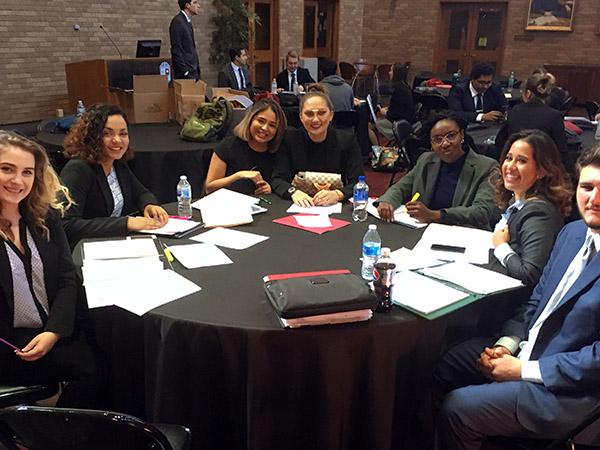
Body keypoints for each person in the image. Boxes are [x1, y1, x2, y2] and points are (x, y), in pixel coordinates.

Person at [433, 144, 600, 449]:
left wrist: (524, 369)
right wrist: (505, 345)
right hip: (527, 352)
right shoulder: (573, 233)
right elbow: (537, 301)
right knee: (445, 363)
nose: (594, 199)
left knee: (458, 409)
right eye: (588, 187)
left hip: (574, 393)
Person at [0, 131, 104, 408]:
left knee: (116, 343)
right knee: (92, 368)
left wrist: (54, 331)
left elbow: (68, 277)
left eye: (27, 172)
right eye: (6, 169)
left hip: (52, 327)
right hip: (8, 342)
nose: (17, 181)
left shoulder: (44, 215)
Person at [60, 104, 168, 248]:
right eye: (107, 134)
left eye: (123, 134)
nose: (117, 140)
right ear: (92, 137)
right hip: (84, 250)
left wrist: (149, 205)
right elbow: (66, 225)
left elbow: (140, 192)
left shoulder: (117, 163)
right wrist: (127, 223)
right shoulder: (78, 169)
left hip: (112, 243)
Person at [376, 113, 498, 229]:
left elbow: (482, 212)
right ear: (432, 144)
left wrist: (435, 215)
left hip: (465, 233)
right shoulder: (426, 160)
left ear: (462, 135)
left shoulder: (487, 167)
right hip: (426, 229)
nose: (445, 143)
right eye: (437, 139)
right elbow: (401, 187)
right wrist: (387, 202)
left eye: (451, 136)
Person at [491, 130, 572, 286]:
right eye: (509, 158)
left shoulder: (538, 213)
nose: (510, 166)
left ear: (541, 171)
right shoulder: (518, 201)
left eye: (521, 161)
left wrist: (501, 246)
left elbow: (529, 274)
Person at [271, 84, 364, 207]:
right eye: (309, 114)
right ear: (301, 117)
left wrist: (339, 194)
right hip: (298, 206)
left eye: (321, 113)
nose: (315, 120)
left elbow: (358, 183)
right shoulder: (289, 138)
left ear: (331, 115)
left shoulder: (347, 140)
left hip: (334, 208)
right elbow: (277, 179)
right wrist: (293, 192)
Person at [205, 99, 287, 195]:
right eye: (261, 121)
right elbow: (209, 188)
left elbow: (280, 181)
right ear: (250, 119)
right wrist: (239, 175)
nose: (265, 128)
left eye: (272, 125)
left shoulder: (279, 150)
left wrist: (270, 189)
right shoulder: (228, 145)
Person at [495, 73, 567, 154]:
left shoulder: (515, 111)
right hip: (542, 163)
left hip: (517, 158)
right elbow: (561, 149)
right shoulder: (555, 115)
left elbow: (500, 141)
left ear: (528, 93)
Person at [371, 62, 415, 141]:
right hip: (405, 120)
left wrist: (385, 112)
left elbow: (394, 115)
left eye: (391, 70)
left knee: (373, 125)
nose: (389, 73)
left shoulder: (399, 91)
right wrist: (388, 109)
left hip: (399, 124)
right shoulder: (405, 87)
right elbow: (399, 108)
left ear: (396, 73)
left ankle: (377, 148)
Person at [169, 0, 201, 80]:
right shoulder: (178, 22)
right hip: (185, 75)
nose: (198, 6)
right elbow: (176, 49)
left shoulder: (187, 22)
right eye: (195, 2)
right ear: (187, 5)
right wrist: (185, 72)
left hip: (193, 72)